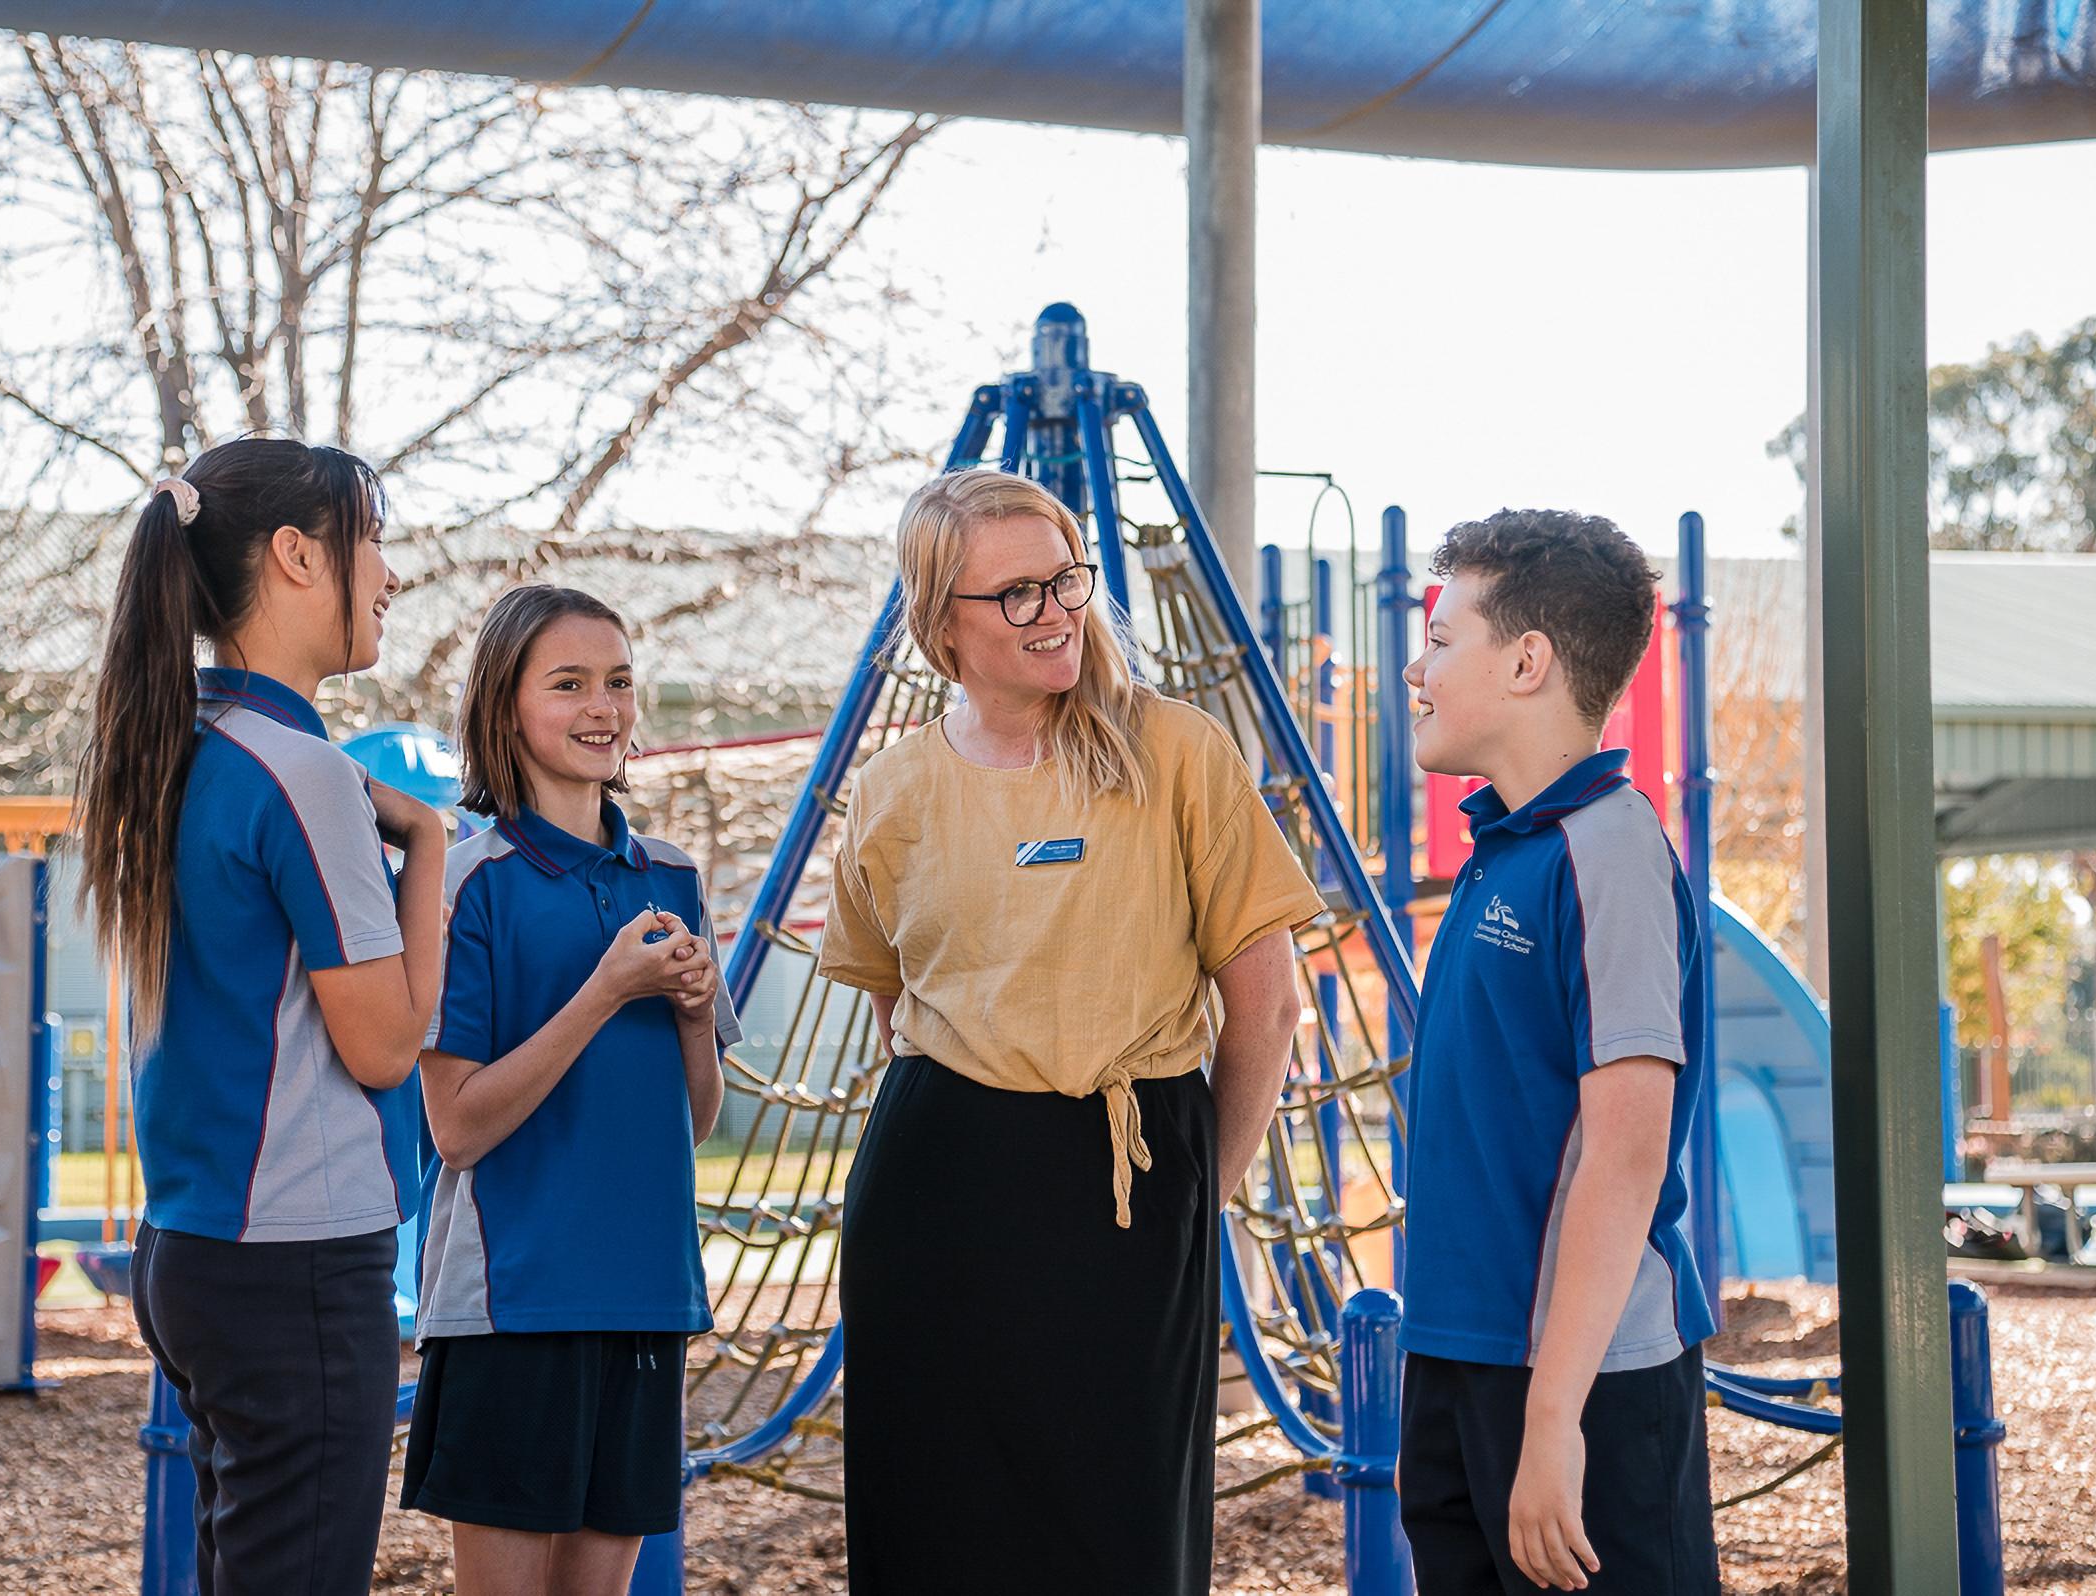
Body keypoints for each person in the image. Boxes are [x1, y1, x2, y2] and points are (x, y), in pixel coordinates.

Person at [818, 467, 1324, 1596]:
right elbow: (893, 1004)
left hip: (1128, 1177)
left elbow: (1269, 1002)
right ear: (939, 622)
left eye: (1066, 580)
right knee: (936, 1517)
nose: (1056, 611)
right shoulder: (892, 790)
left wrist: (1204, 1184)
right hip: (935, 1189)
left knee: (1121, 1530)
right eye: (1016, 594)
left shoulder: (1178, 751)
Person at [73, 440, 446, 1595]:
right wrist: (428, 843)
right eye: (372, 540)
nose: (390, 574)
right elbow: (385, 1044)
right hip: (296, 1264)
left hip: (193, 1253)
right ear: (297, 556)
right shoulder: (302, 772)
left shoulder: (178, 743)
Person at [1396, 509, 1721, 1594]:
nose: (1416, 666)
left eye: (1442, 639)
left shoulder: (1609, 852)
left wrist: (1553, 1424)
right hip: (1461, 1353)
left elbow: (1625, 1161)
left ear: (1528, 661)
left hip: (1580, 1387)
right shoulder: (1508, 850)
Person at [401, 585, 740, 1596]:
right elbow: (457, 1128)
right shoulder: (466, 882)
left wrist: (687, 1015)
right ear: (505, 705)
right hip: (515, 1304)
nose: (606, 708)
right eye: (571, 684)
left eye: (621, 682)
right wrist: (605, 992)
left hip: (647, 1293)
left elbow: (698, 1121)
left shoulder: (671, 877)